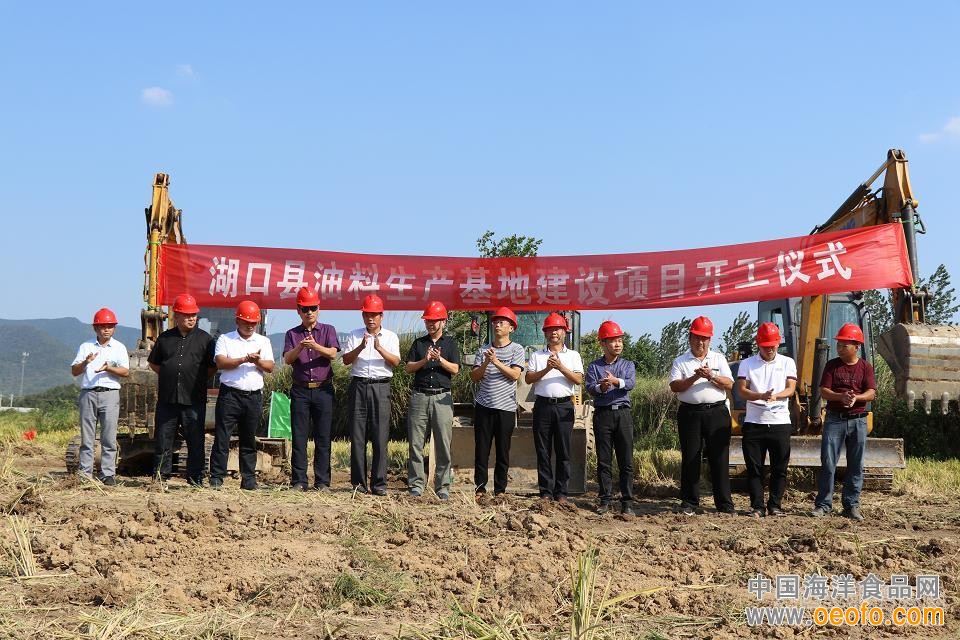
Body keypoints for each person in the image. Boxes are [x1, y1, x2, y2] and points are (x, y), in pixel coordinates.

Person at [668, 316, 736, 515]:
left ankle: (724, 503)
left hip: (717, 412)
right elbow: (675, 386)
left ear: (710, 340)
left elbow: (730, 384)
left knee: (720, 458)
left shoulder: (718, 359)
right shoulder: (681, 361)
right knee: (691, 457)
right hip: (690, 413)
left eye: (705, 338)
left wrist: (711, 376)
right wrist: (696, 376)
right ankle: (689, 502)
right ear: (690, 338)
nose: (701, 342)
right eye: (697, 337)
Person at [148, 293, 215, 486]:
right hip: (168, 399)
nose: (192, 318)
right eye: (187, 315)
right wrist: (171, 376)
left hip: (193, 399)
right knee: (163, 439)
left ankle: (195, 478)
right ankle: (161, 477)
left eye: (194, 314)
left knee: (195, 440)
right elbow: (155, 364)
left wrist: (194, 379)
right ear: (176, 316)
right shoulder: (165, 338)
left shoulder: (205, 340)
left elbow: (211, 368)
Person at [811, 323, 876, 522]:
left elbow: (871, 393)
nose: (839, 347)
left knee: (856, 465)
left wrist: (856, 398)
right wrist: (841, 397)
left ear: (856, 346)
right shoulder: (832, 366)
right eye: (839, 344)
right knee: (828, 463)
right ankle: (823, 505)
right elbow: (824, 391)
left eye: (844, 344)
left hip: (858, 421)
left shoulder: (865, 367)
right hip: (834, 420)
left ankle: (851, 505)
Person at [209, 300, 275, 490]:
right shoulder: (225, 339)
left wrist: (257, 362)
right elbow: (221, 362)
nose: (249, 326)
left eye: (253, 323)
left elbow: (269, 366)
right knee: (222, 437)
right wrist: (244, 359)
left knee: (248, 438)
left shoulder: (263, 341)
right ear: (237, 321)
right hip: (230, 395)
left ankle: (249, 479)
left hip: (253, 396)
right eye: (246, 322)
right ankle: (216, 477)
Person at [736, 322, 797, 518]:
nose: (769, 349)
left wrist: (776, 396)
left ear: (778, 344)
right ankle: (757, 506)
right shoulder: (747, 364)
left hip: (780, 422)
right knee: (755, 468)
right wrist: (760, 395)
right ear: (758, 345)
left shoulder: (787, 362)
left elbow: (791, 388)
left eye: (772, 346)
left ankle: (775, 505)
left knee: (780, 467)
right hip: (755, 422)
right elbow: (742, 390)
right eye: (765, 346)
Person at [342, 294, 400, 495]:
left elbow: (395, 362)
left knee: (380, 437)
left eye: (374, 315)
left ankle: (379, 484)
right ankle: (359, 484)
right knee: (358, 437)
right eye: (367, 315)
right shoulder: (354, 334)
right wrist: (361, 346)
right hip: (358, 386)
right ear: (363, 316)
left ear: (381, 316)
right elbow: (346, 360)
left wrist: (379, 348)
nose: (371, 319)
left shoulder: (391, 337)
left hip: (381, 387)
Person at [283, 287, 340, 491]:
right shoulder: (292, 334)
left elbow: (333, 354)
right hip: (300, 390)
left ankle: (322, 481)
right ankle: (299, 481)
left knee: (323, 437)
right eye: (305, 309)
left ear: (319, 309)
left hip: (323, 390)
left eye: (313, 308)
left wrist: (315, 347)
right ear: (298, 310)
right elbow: (287, 359)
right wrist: (301, 346)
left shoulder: (328, 330)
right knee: (299, 437)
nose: (309, 312)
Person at [525, 312, 584, 503]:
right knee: (543, 450)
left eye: (557, 329)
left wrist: (560, 367)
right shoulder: (536, 355)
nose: (554, 333)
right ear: (545, 333)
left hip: (565, 406)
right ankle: (545, 492)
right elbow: (528, 379)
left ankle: (561, 492)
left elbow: (578, 380)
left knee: (563, 451)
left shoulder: (573, 356)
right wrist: (548, 368)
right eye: (550, 329)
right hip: (542, 406)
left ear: (564, 332)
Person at [404, 301, 460, 499]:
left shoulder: (450, 344)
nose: (431, 324)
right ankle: (416, 485)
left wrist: (440, 360)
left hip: (442, 397)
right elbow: (408, 368)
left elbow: (455, 369)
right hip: (420, 396)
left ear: (443, 321)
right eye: (428, 320)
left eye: (435, 320)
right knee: (416, 443)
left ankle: (443, 487)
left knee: (444, 444)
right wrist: (425, 360)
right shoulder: (418, 344)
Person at [471, 307, 525, 499]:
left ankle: (500, 490)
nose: (497, 324)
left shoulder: (517, 349)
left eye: (502, 322)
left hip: (506, 408)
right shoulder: (482, 350)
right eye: (495, 321)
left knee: (503, 451)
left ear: (511, 327)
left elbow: (515, 375)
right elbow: (475, 377)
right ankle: (480, 488)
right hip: (484, 407)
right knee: (481, 450)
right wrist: (486, 362)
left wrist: (495, 361)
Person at [70, 308, 130, 485]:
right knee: (87, 436)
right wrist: (85, 362)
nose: (106, 329)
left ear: (114, 328)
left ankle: (107, 473)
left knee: (109, 436)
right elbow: (74, 371)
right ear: (95, 328)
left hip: (110, 393)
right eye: (102, 326)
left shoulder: (119, 347)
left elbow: (125, 371)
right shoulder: (86, 346)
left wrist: (108, 368)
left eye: (109, 326)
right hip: (88, 393)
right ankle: (85, 473)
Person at [585, 320, 636, 516]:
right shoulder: (594, 367)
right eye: (613, 341)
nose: (618, 344)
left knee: (626, 460)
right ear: (603, 344)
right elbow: (590, 387)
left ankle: (627, 502)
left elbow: (630, 383)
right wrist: (602, 387)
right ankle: (605, 500)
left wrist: (616, 381)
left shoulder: (627, 365)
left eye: (620, 340)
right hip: (603, 414)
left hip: (623, 414)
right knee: (604, 460)